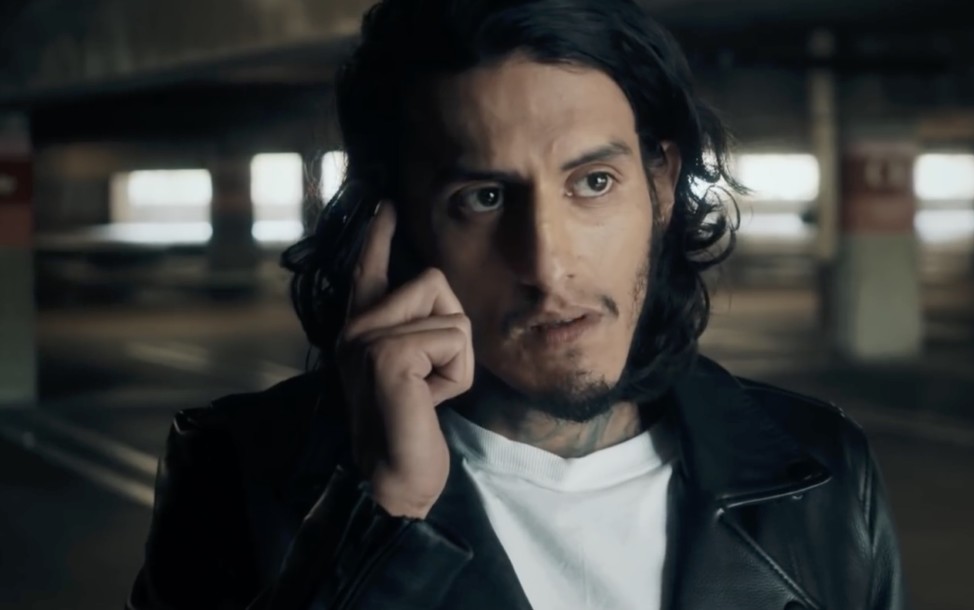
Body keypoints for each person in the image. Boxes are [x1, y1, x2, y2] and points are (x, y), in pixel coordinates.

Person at [128, 0, 905, 608]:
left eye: (593, 183)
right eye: (485, 197)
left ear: (662, 186)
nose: (547, 265)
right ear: (397, 225)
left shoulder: (824, 471)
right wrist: (382, 513)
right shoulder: (235, 473)